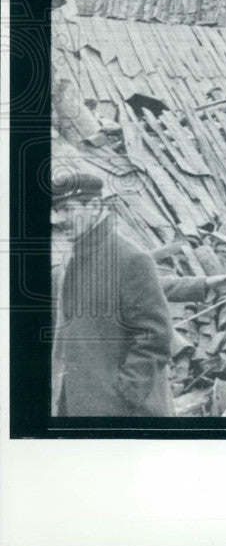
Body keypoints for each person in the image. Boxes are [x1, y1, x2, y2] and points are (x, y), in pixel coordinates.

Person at [51, 172, 174, 416]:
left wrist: (125, 393)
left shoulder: (130, 258)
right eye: (56, 210)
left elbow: (155, 336)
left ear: (95, 206)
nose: (59, 219)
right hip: (79, 408)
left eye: (67, 209)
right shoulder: (73, 261)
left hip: (121, 413)